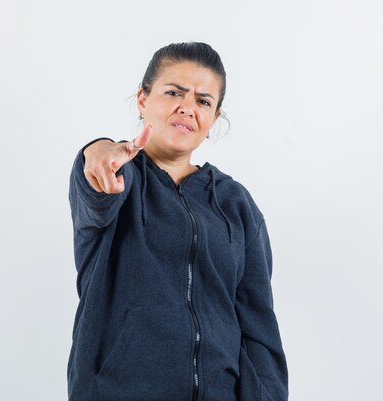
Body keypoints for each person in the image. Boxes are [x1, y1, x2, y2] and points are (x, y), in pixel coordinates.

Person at [67, 42, 288, 401]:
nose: (188, 107)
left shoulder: (236, 204)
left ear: (214, 118)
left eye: (203, 101)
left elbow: (259, 326)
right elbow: (96, 192)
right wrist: (98, 150)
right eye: (174, 92)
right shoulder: (119, 178)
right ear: (143, 99)